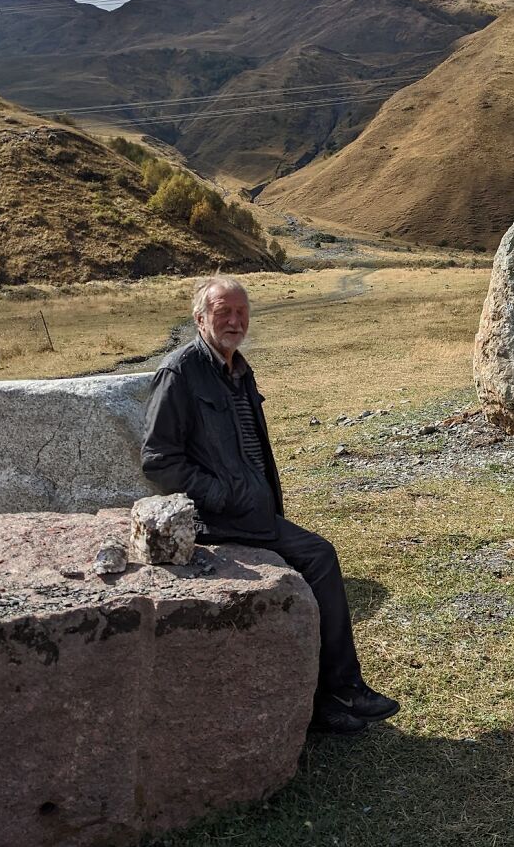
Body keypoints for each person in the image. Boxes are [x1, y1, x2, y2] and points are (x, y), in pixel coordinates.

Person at [141, 274, 399, 736]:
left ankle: (324, 702)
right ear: (200, 317)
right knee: (320, 557)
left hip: (256, 511)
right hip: (220, 519)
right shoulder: (180, 372)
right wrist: (223, 495)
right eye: (224, 312)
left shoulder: (237, 367)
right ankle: (344, 688)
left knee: (314, 562)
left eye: (241, 312)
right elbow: (159, 461)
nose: (235, 321)